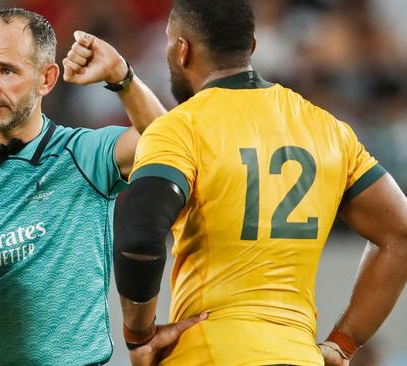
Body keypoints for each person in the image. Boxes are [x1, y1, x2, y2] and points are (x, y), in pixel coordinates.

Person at [112, 1, 407, 365]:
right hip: (298, 356)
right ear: (251, 47)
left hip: (210, 352)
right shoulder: (327, 129)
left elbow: (139, 237)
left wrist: (139, 335)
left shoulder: (181, 126)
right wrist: (342, 344)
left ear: (181, 49)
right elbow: (400, 231)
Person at [0, 7, 167, 365]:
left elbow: (169, 144)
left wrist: (122, 77)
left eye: (6, 70)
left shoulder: (84, 155)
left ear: (46, 78)